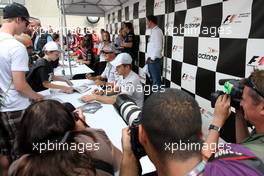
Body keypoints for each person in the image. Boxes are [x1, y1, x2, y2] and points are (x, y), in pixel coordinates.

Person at [120, 89, 264, 176]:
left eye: (243, 100)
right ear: (201, 134)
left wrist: (128, 154)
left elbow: (202, 163)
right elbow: (205, 161)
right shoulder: (246, 158)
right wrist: (235, 113)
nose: (242, 103)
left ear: (142, 136)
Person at [8, 100, 122, 175]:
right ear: (71, 122)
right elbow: (119, 163)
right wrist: (84, 129)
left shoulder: (19, 168)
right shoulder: (95, 139)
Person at [0, 3, 43, 175]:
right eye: (26, 23)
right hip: (15, 107)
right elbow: (20, 85)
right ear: (18, 19)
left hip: (2, 107)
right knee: (24, 155)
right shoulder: (16, 47)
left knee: (4, 155)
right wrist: (37, 96)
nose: (27, 27)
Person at [207, 70, 264, 162]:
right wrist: (239, 109)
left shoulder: (255, 155)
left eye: (243, 99)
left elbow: (204, 166)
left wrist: (217, 121)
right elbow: (243, 144)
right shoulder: (260, 129)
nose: (240, 103)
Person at [145, 15, 163, 87]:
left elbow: (159, 47)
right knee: (154, 81)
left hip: (154, 61)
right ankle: (156, 96)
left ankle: (159, 98)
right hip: (151, 61)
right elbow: (152, 47)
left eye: (147, 21)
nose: (146, 23)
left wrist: (152, 59)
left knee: (156, 82)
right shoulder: (154, 31)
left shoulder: (157, 31)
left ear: (150, 22)